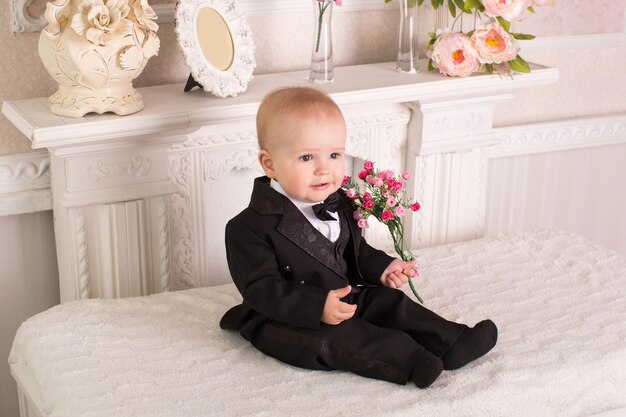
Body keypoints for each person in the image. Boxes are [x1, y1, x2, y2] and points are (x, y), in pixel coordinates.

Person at [219, 86, 497, 388]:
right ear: (270, 164)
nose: (325, 169)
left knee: (391, 303)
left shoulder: (339, 202)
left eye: (334, 154)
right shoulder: (247, 228)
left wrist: (382, 267)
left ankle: (451, 342)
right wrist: (317, 307)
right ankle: (410, 361)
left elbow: (354, 252)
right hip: (286, 318)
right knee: (343, 337)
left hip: (345, 294)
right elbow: (263, 290)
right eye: (307, 157)